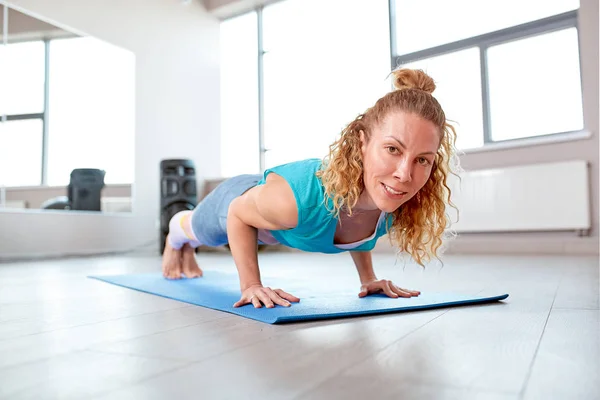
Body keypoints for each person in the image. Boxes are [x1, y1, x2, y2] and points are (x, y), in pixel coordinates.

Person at [161, 67, 459, 309]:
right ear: (362, 142)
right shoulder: (299, 201)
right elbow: (238, 212)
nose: (405, 174)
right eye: (393, 149)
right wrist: (252, 285)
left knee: (200, 240)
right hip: (239, 198)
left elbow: (360, 228)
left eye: (422, 159)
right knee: (200, 233)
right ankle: (176, 232)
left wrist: (368, 279)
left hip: (270, 209)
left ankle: (185, 247)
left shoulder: (392, 202)